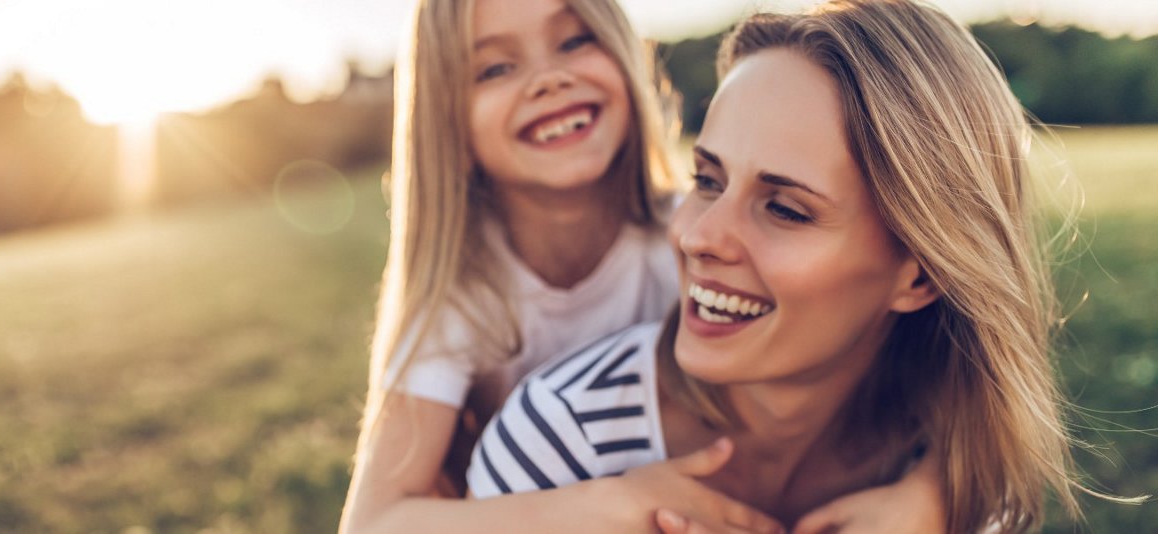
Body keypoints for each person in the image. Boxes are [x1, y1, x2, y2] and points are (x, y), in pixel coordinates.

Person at [468, 0, 1119, 532]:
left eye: (785, 209)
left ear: (919, 276)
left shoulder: (955, 479)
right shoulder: (554, 450)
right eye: (707, 179)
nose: (699, 236)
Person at [342, 0, 943, 531]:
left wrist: (935, 492)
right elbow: (373, 522)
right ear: (446, 118)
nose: (549, 78)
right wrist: (594, 508)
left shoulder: (689, 231)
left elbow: (940, 378)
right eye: (495, 67)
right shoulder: (461, 299)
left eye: (576, 40)